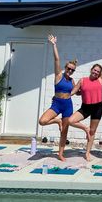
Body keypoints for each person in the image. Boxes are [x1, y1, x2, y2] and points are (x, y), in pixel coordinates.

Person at [38, 34, 77, 162]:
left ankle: (60, 153)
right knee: (42, 121)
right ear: (65, 68)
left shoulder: (72, 81)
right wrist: (54, 45)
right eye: (69, 68)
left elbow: (77, 92)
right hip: (56, 104)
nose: (70, 71)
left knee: (64, 132)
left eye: (72, 70)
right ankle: (57, 121)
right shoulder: (59, 75)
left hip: (67, 105)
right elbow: (56, 59)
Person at [69, 50, 102, 161]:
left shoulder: (100, 80)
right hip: (85, 107)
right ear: (91, 70)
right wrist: (64, 95)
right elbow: (73, 91)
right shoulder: (82, 80)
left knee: (93, 131)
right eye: (95, 70)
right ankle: (85, 128)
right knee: (71, 120)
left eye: (98, 72)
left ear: (99, 74)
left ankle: (87, 153)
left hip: (97, 108)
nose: (96, 72)